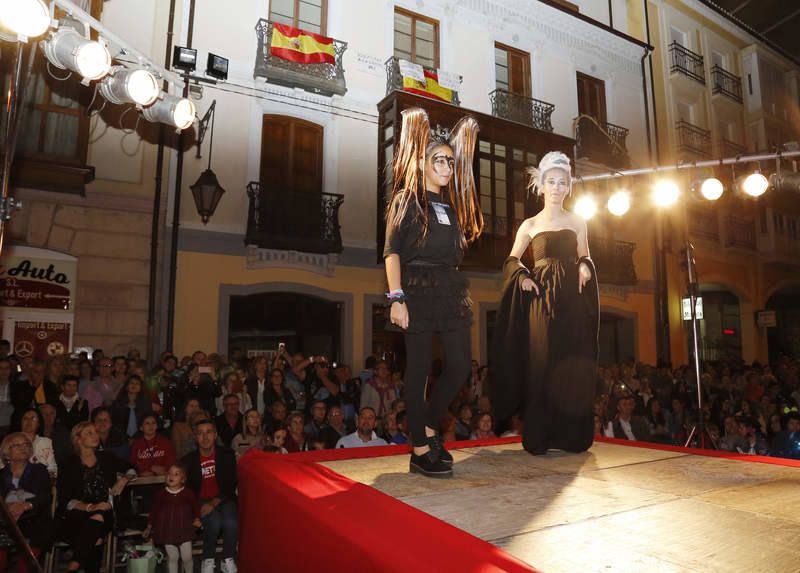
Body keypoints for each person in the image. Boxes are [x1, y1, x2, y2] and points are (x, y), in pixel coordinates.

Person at [383, 108, 483, 478]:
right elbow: (392, 251)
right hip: (414, 288)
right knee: (420, 369)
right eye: (438, 159)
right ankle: (420, 448)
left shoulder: (450, 208)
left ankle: (426, 427)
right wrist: (396, 297)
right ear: (422, 163)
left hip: (448, 289)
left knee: (459, 365)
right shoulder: (406, 199)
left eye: (451, 161)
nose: (445, 166)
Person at [492, 151, 599, 455]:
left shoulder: (578, 220)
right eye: (551, 181)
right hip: (540, 298)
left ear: (568, 187)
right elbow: (512, 259)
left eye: (562, 182)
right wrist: (523, 275)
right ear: (540, 185)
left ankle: (572, 437)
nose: (556, 187)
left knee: (573, 362)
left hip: (572, 296)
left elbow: (585, 255)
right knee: (542, 361)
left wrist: (584, 266)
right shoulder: (529, 224)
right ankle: (540, 436)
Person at [57, 422, 137, 573]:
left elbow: (132, 468)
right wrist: (90, 507)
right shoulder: (67, 463)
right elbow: (66, 500)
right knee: (96, 536)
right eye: (89, 433)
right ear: (78, 439)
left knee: (99, 517)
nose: (95, 435)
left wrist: (124, 480)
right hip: (76, 514)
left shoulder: (106, 457)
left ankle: (72, 567)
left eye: (95, 432)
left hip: (107, 512)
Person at [182, 419, 238, 573]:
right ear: (195, 437)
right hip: (200, 500)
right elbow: (186, 490)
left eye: (209, 432)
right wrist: (195, 509)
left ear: (215, 435)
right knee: (214, 522)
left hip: (223, 498)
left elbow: (231, 484)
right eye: (200, 433)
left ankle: (228, 558)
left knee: (231, 523)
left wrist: (214, 503)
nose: (205, 437)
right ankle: (208, 558)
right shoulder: (188, 460)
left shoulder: (227, 454)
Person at [0, 433, 52, 573]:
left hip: (33, 522)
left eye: (26, 444)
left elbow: (44, 497)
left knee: (25, 566)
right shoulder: (0, 475)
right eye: (17, 445)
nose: (23, 448)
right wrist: (8, 510)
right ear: (7, 452)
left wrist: (25, 505)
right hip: (5, 524)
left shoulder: (39, 471)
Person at [143, 463, 201, 573]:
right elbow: (154, 512)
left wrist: (197, 519)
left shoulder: (188, 494)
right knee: (173, 558)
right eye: (169, 473)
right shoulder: (161, 495)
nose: (171, 476)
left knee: (187, 557)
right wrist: (149, 527)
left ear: (183, 480)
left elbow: (195, 508)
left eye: (176, 474)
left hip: (185, 531)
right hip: (168, 532)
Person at [111, 375, 154, 440]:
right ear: (126, 386)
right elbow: (115, 423)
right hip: (121, 438)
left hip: (141, 438)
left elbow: (148, 422)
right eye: (131, 383)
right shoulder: (118, 403)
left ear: (141, 387)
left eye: (137, 384)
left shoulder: (146, 403)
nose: (134, 385)